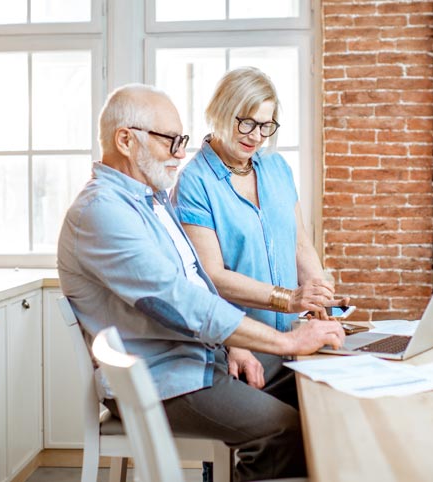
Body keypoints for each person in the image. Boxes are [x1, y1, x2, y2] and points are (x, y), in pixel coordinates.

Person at [57, 83, 345, 481]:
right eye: (171, 141)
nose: (180, 153)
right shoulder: (102, 211)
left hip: (198, 360)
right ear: (125, 140)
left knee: (317, 388)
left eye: (182, 141)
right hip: (166, 379)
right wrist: (287, 341)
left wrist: (236, 343)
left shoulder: (150, 201)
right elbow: (180, 302)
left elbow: (196, 283)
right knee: (286, 430)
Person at [171, 67, 343, 390]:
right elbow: (211, 277)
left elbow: (299, 244)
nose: (256, 136)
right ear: (221, 112)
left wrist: (320, 300)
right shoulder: (195, 181)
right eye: (247, 123)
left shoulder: (277, 167)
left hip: (295, 339)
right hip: (244, 347)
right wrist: (288, 299)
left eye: (265, 125)